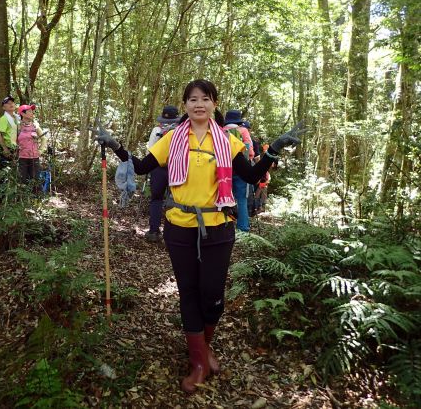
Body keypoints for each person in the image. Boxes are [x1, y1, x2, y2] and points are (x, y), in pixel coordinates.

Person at [95, 79, 305, 394]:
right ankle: (198, 361)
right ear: (185, 105)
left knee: (213, 296)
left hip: (218, 227)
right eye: (192, 99)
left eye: (205, 99)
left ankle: (204, 349)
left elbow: (250, 174)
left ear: (214, 104)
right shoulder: (171, 140)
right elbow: (140, 167)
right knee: (189, 292)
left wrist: (272, 150)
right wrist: (115, 147)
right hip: (180, 225)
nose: (199, 104)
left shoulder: (227, 141)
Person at [145, 105, 180, 242]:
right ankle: (173, 232)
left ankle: (154, 231)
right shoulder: (181, 130)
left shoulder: (157, 129)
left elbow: (150, 151)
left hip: (158, 168)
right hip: (176, 169)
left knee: (156, 199)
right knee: (176, 200)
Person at [223, 110, 254, 232]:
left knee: (225, 197)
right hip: (241, 169)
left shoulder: (221, 130)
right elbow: (250, 152)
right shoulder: (243, 131)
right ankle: (243, 228)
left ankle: (224, 224)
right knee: (241, 198)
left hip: (224, 169)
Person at [17, 103, 47, 190]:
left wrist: (41, 150)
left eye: (32, 111)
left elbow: (44, 139)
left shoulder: (35, 126)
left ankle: (36, 200)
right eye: (29, 111)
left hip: (34, 157)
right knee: (22, 180)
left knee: (35, 180)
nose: (32, 113)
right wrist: (16, 148)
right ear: (22, 114)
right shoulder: (18, 126)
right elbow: (13, 140)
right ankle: (24, 200)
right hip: (22, 157)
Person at [0, 95, 20, 189]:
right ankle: (2, 197)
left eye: (12, 102)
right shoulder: (3, 119)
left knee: (16, 172)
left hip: (16, 148)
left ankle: (14, 196)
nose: (11, 104)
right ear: (3, 107)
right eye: (8, 103)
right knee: (4, 173)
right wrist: (5, 149)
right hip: (7, 148)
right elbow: (0, 135)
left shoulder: (17, 118)